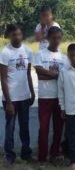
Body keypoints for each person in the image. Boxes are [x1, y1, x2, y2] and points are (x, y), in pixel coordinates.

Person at [0, 24, 35, 167]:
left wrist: (32, 93)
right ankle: (9, 155)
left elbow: (28, 74)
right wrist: (8, 102)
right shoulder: (5, 52)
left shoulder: (28, 51)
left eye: (19, 34)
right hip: (11, 99)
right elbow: (3, 78)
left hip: (25, 97)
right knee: (10, 127)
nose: (17, 37)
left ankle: (26, 153)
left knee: (24, 126)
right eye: (14, 35)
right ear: (9, 36)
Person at [34, 26, 68, 162]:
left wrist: (46, 74)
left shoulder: (64, 58)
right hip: (45, 97)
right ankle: (42, 156)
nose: (56, 41)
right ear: (48, 38)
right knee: (43, 128)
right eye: (53, 38)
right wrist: (55, 75)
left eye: (59, 38)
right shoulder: (40, 54)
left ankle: (55, 152)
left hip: (59, 98)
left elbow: (63, 77)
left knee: (58, 128)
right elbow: (38, 73)